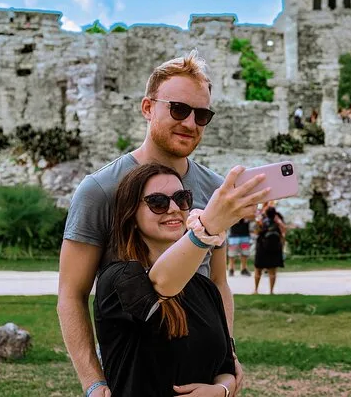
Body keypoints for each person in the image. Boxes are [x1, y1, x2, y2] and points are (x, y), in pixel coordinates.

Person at [57, 50, 249, 397]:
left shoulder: (214, 188)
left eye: (202, 115)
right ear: (148, 108)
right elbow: (72, 293)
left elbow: (217, 281)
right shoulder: (100, 189)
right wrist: (93, 383)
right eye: (178, 109)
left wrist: (225, 363)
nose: (190, 123)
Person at [94, 162, 269, 396]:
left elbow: (226, 367)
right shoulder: (116, 279)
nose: (174, 208)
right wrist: (206, 230)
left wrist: (221, 390)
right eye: (158, 202)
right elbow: (159, 285)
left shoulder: (205, 288)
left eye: (182, 198)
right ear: (131, 216)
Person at [253, 205, 286, 295]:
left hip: (262, 248)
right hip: (275, 249)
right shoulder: (278, 222)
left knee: (258, 270)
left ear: (266, 213)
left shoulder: (262, 221)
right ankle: (271, 291)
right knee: (272, 271)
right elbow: (283, 232)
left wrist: (258, 223)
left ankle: (256, 290)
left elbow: (256, 232)